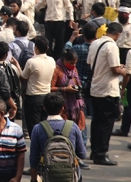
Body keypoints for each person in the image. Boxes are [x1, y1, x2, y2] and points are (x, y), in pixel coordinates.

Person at [87, 22, 125, 166]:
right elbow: (115, 69)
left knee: (97, 121)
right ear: (118, 35)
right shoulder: (112, 46)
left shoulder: (95, 43)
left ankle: (94, 151)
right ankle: (101, 154)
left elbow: (91, 64)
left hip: (95, 87)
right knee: (106, 123)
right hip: (108, 89)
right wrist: (124, 71)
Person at [29, 92, 87, 182]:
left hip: (48, 176)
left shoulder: (38, 128)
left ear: (44, 108)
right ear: (62, 109)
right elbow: (82, 154)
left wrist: (33, 179)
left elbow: (34, 158)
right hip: (70, 176)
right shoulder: (73, 126)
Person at [21, 36, 55, 137]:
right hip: (47, 96)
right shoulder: (52, 60)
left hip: (33, 98)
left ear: (35, 48)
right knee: (45, 127)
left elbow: (23, 77)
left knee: (34, 128)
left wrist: (19, 68)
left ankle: (37, 149)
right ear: (47, 48)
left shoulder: (31, 62)